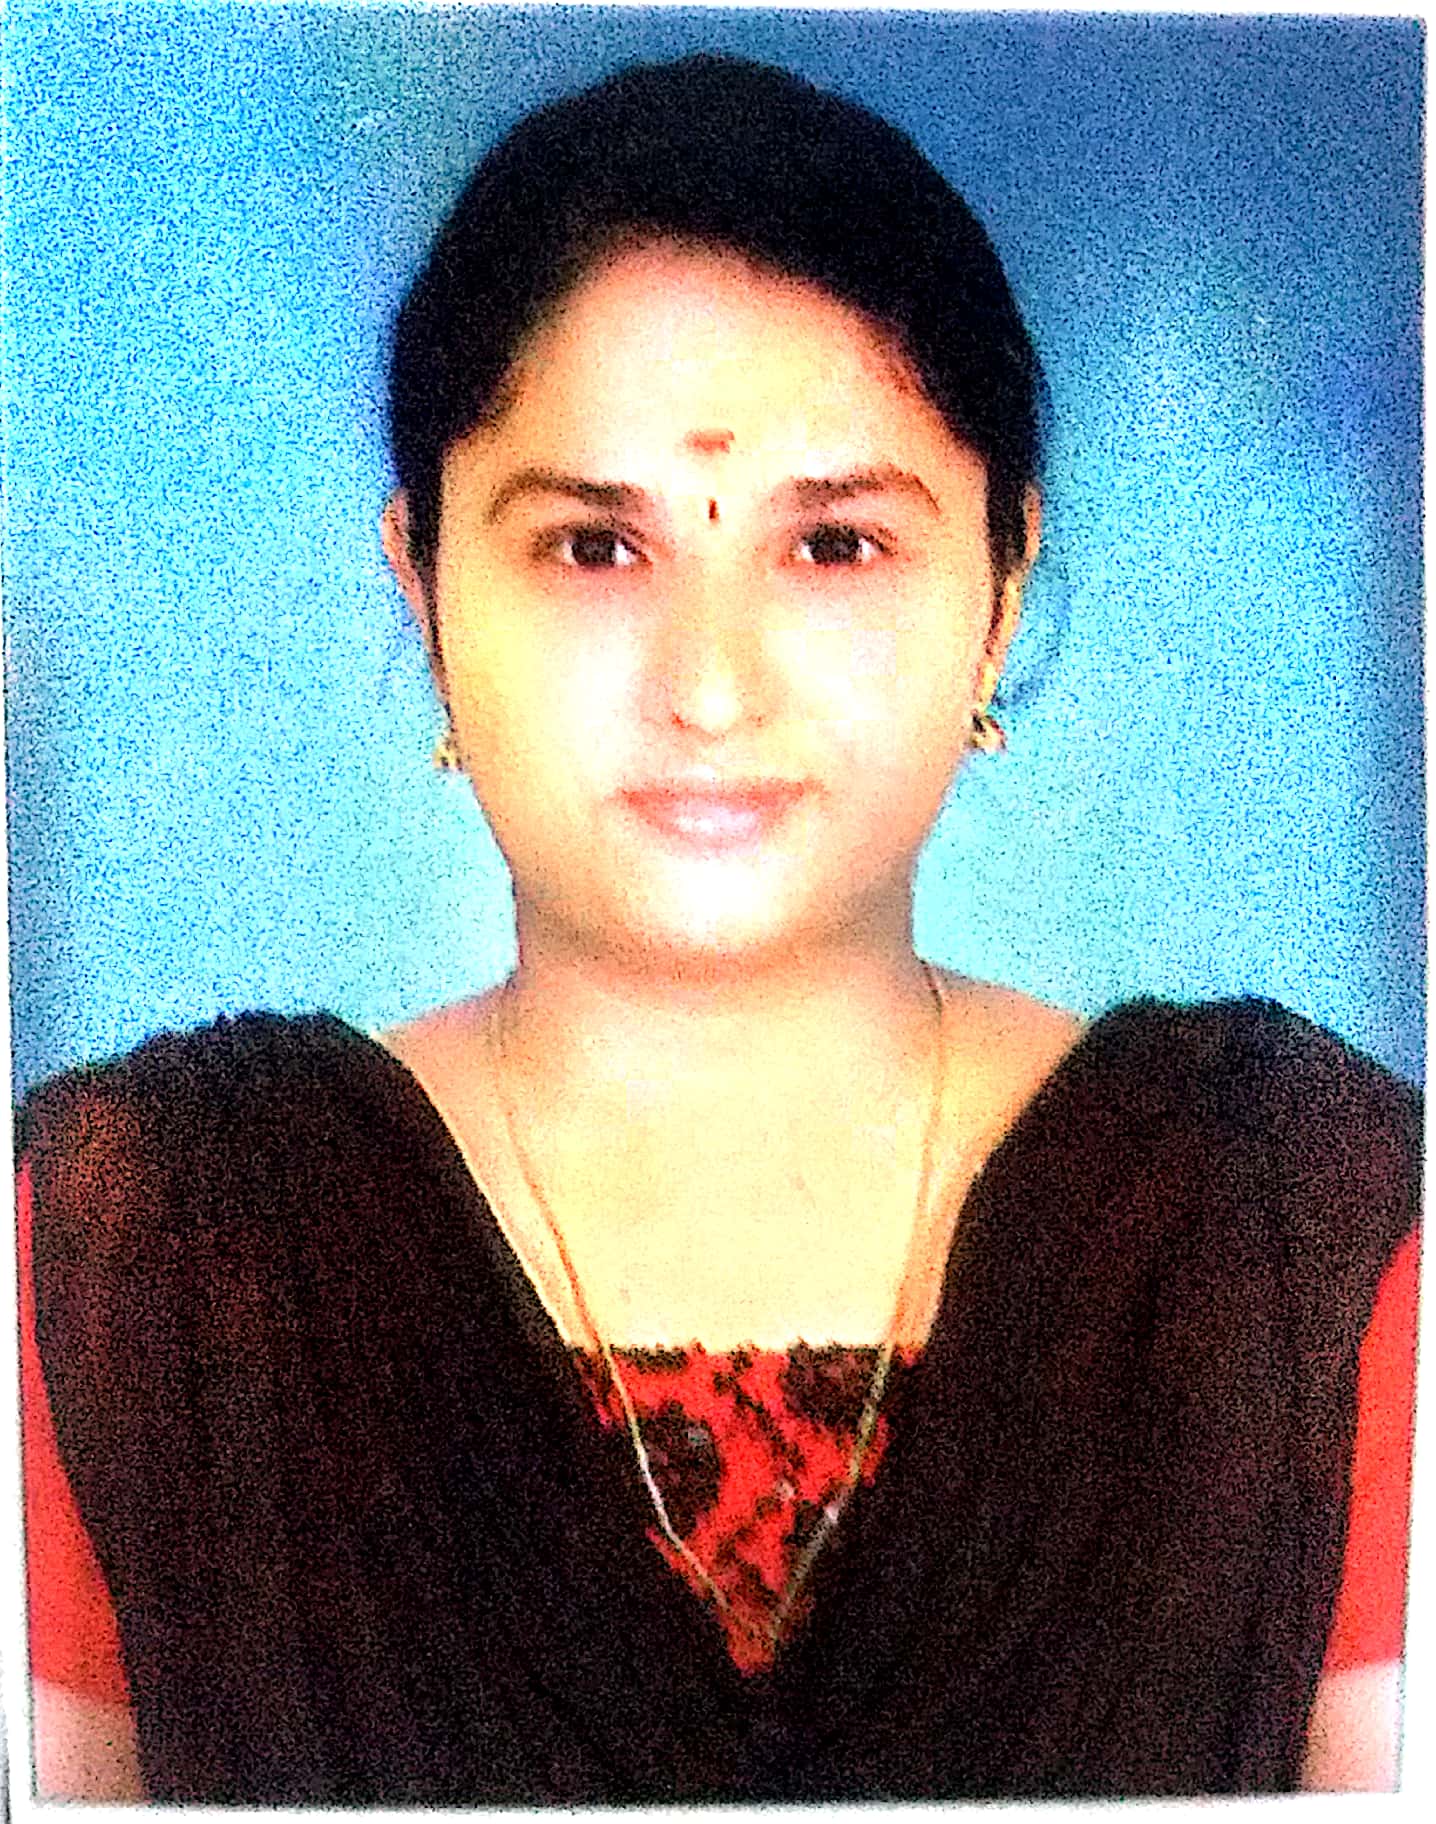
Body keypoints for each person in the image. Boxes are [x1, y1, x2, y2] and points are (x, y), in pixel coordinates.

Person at [19, 52, 1419, 1803]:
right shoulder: (141, 1254)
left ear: (1000, 589)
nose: (709, 688)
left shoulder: (1296, 1234)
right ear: (423, 585)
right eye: (592, 550)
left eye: (833, 547)